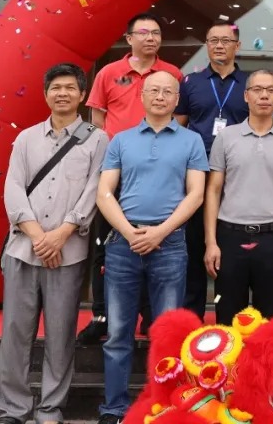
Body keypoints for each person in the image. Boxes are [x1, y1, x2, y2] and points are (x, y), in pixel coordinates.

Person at [0, 63, 109, 424]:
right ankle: (12, 408)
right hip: (23, 250)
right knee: (15, 332)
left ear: (82, 94)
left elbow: (94, 190)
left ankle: (50, 408)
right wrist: (38, 237)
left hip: (68, 252)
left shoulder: (98, 139)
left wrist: (61, 234)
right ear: (46, 94)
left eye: (70, 88)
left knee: (60, 334)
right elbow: (13, 188)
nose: (63, 93)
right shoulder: (26, 138)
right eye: (56, 88)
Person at [95, 71, 208, 424]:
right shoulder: (121, 141)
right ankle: (114, 408)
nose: (160, 97)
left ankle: (165, 406)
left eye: (167, 92)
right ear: (142, 96)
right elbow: (104, 193)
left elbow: (196, 194)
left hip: (170, 245)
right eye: (154, 91)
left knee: (168, 334)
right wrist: (130, 233)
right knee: (118, 333)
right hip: (123, 244)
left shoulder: (192, 141)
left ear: (177, 99)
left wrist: (160, 232)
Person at [79, 12, 182, 344]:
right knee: (106, 245)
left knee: (157, 244)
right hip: (116, 171)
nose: (151, 38)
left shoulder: (172, 74)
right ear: (129, 39)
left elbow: (178, 122)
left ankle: (151, 316)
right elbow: (98, 121)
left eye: (157, 33)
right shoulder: (109, 73)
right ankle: (102, 315)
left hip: (158, 173)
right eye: (144, 32)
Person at [205, 69, 273, 322]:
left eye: (271, 90)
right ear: (246, 96)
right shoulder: (226, 137)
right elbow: (213, 190)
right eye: (258, 90)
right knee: (228, 317)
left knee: (272, 321)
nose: (264, 96)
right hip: (230, 237)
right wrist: (211, 242)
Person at [174, 21, 250, 320]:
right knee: (194, 247)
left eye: (226, 40)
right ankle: (191, 319)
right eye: (213, 40)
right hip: (198, 174)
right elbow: (178, 128)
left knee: (230, 248)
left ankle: (229, 321)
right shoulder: (191, 83)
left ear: (237, 46)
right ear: (206, 45)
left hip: (237, 176)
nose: (219, 45)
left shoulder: (249, 84)